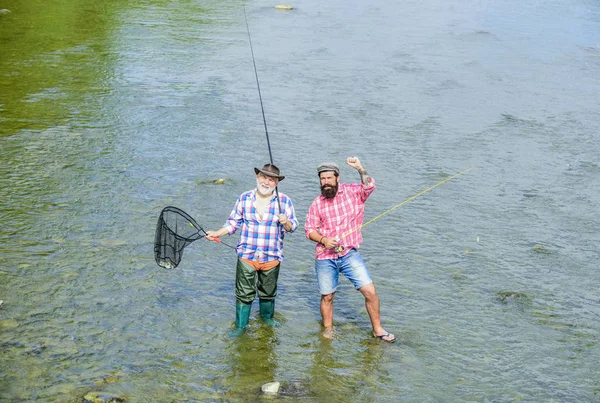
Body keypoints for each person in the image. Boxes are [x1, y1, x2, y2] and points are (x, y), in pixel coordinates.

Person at [305, 157, 396, 343]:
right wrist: (323, 240)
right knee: (327, 296)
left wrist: (360, 168)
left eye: (329, 178)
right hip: (325, 256)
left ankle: (378, 329)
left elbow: (369, 186)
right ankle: (328, 330)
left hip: (349, 254)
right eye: (322, 179)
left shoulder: (353, 192)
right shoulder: (317, 203)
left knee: (370, 291)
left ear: (337, 178)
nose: (326, 183)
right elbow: (309, 230)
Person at [206, 164, 298, 337]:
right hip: (247, 256)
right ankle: (241, 327)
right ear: (257, 178)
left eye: (271, 179)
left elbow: (293, 227)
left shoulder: (284, 201)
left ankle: (267, 319)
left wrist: (286, 221)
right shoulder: (244, 197)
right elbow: (233, 223)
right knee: (243, 294)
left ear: (277, 182)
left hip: (272, 257)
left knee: (268, 293)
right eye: (263, 177)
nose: (266, 182)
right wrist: (217, 233)